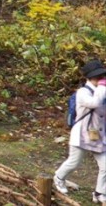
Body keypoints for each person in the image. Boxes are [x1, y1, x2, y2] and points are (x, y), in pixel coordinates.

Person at [53, 60, 106, 203]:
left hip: (98, 136)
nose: (100, 79)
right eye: (97, 77)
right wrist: (102, 88)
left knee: (105, 165)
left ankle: (100, 193)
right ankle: (58, 178)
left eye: (102, 76)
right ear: (88, 78)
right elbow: (94, 103)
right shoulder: (83, 92)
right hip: (81, 135)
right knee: (74, 162)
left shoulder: (101, 92)